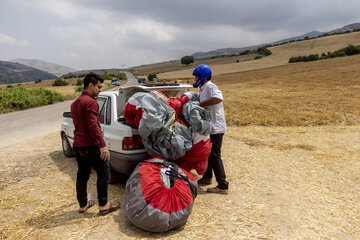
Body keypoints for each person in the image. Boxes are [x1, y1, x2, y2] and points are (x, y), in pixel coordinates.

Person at [71, 72, 120, 215]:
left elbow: (83, 125)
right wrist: (102, 145)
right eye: (98, 87)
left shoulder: (75, 103)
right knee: (104, 172)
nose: (100, 90)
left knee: (83, 174)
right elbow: (93, 125)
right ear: (90, 85)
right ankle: (104, 205)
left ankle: (83, 204)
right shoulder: (91, 102)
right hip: (90, 145)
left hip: (78, 145)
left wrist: (97, 133)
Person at [192, 64, 229, 194]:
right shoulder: (203, 88)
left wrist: (201, 104)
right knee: (207, 153)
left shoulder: (211, 86)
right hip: (210, 127)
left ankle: (223, 185)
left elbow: (218, 98)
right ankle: (207, 177)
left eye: (196, 76)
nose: (195, 78)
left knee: (214, 156)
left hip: (217, 127)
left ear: (202, 76)